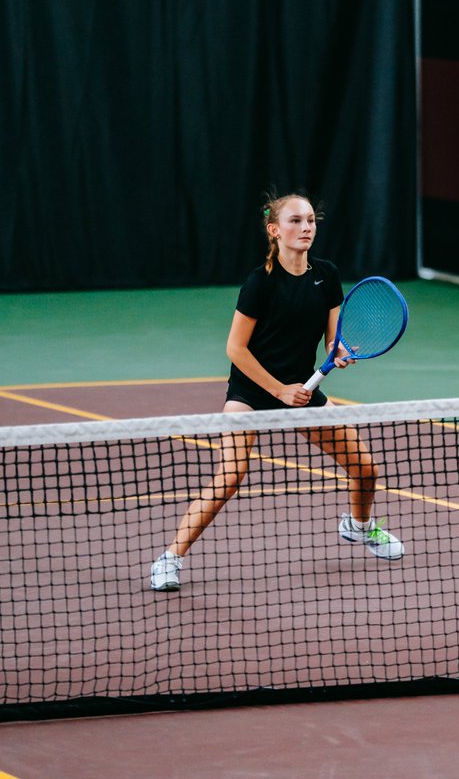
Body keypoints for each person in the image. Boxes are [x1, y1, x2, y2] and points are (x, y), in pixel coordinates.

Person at [150, 192, 404, 591]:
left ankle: (359, 526)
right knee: (230, 477)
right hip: (252, 392)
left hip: (303, 388)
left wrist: (338, 354)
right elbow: (235, 348)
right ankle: (170, 559)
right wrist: (278, 390)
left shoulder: (327, 275)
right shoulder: (260, 282)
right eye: (295, 221)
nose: (305, 228)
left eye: (310, 221)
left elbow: (333, 340)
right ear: (275, 230)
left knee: (366, 469)